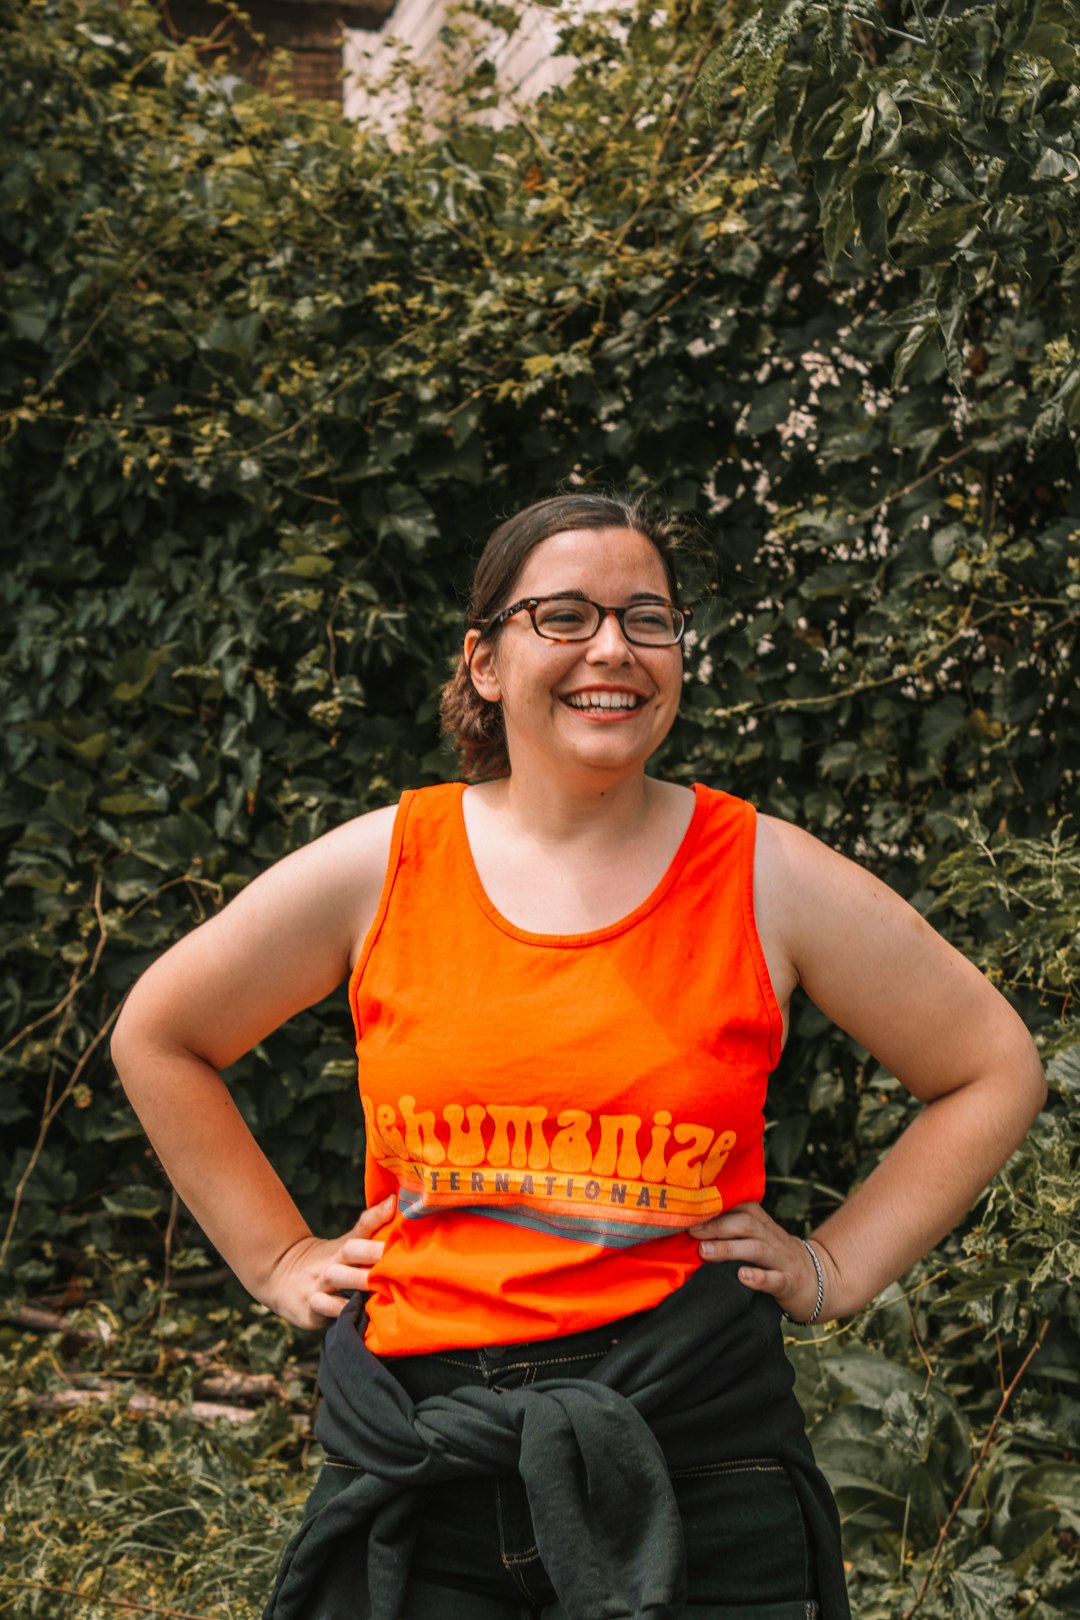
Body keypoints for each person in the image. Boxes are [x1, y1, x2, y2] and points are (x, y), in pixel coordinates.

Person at [111, 492, 1046, 1620]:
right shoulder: (384, 865)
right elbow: (159, 1036)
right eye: (564, 614)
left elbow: (992, 1066)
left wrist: (834, 1267)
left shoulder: (764, 874)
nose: (613, 647)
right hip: (426, 1460)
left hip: (699, 1467)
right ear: (487, 660)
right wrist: (274, 1258)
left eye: (646, 618)